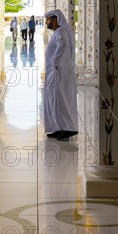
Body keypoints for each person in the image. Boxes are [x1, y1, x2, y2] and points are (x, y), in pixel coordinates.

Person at [44, 9, 78, 141]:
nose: (46, 22)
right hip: (55, 71)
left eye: (48, 19)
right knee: (55, 101)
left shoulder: (61, 32)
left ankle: (68, 128)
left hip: (59, 72)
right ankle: (59, 128)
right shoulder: (57, 33)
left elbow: (62, 45)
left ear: (55, 19)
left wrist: (54, 63)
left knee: (61, 100)